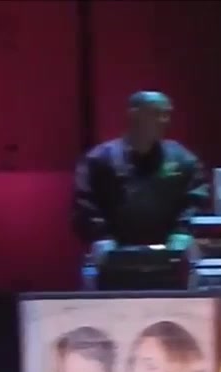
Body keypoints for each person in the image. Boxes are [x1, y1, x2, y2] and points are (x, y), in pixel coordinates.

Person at [72, 91, 209, 272]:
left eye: (167, 114)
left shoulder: (182, 158)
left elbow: (196, 199)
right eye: (156, 114)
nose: (164, 120)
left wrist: (183, 231)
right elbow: (85, 203)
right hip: (113, 256)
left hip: (170, 255)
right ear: (134, 115)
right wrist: (100, 236)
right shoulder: (100, 158)